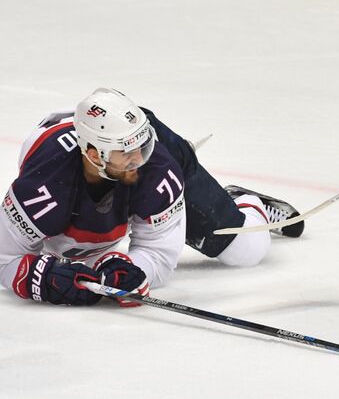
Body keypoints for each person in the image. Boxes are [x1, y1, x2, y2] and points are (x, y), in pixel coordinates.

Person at [0, 88, 304, 306]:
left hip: (159, 153)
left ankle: (242, 201)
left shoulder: (156, 168)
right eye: (126, 151)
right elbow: (4, 256)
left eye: (141, 147)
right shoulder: (45, 185)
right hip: (75, 173)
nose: (138, 159)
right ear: (94, 155)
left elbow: (159, 255)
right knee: (68, 252)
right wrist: (36, 278)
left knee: (247, 250)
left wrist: (128, 267)